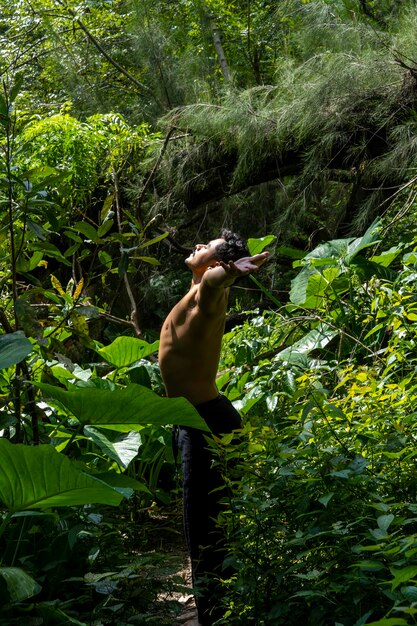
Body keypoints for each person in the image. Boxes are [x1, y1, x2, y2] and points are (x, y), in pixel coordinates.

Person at [159, 230, 269, 626]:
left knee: (205, 528)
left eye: (203, 248)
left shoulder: (209, 287)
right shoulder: (197, 286)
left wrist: (230, 272)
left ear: (215, 263)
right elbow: (205, 278)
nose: (195, 248)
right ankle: (220, 610)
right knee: (205, 523)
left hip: (205, 422)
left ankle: (215, 617)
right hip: (200, 418)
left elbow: (214, 281)